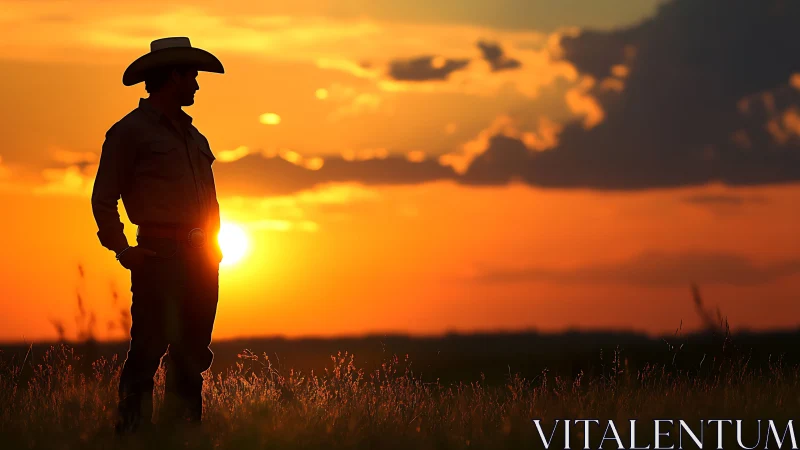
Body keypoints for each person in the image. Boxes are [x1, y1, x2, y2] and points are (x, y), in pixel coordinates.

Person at [90, 36, 225, 434]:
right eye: (192, 77)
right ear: (173, 77)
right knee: (149, 348)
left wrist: (213, 251)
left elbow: (211, 202)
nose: (197, 86)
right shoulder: (129, 132)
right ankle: (131, 435)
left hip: (202, 256)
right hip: (158, 253)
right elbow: (103, 198)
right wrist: (123, 249)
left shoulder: (195, 137)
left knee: (193, 352)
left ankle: (181, 434)